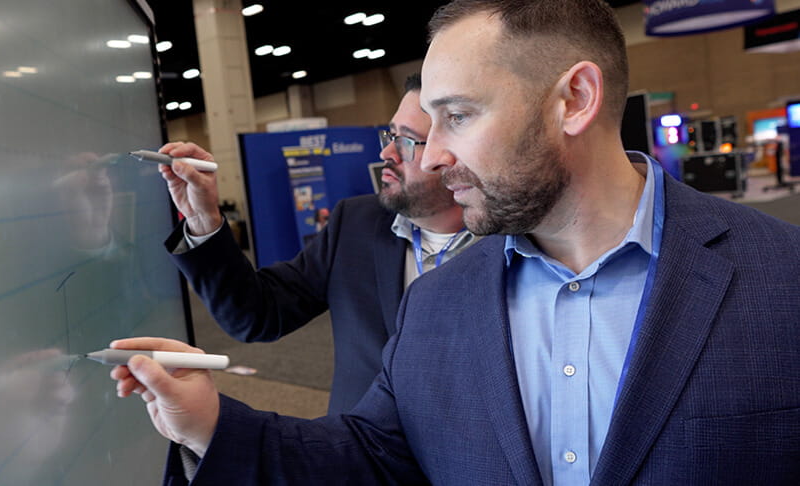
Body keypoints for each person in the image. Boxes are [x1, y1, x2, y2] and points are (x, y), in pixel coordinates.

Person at [110, 1, 800, 484]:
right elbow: (377, 458)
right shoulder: (438, 303)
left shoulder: (780, 279)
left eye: (457, 117)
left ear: (575, 100)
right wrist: (210, 424)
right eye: (421, 129)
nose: (431, 157)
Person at [157, 73, 475, 415]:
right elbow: (255, 314)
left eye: (407, 140)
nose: (386, 152)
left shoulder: (513, 245)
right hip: (356, 453)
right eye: (391, 134)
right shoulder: (355, 224)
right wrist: (204, 219)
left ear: (452, 155)